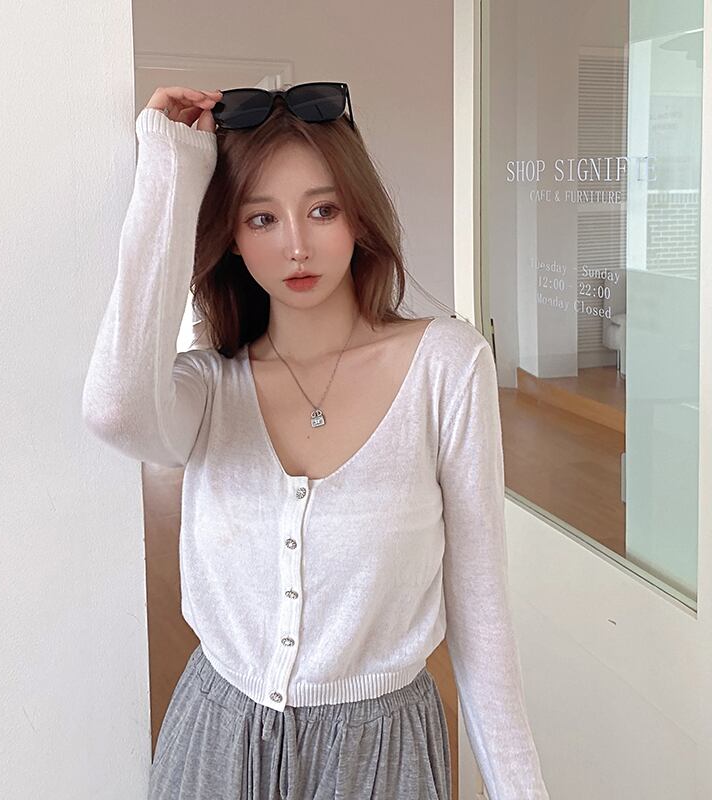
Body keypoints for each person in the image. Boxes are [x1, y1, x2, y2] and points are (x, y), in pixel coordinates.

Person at [82, 82, 550, 800]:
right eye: (261, 218)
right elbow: (116, 410)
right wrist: (173, 168)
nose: (296, 246)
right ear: (231, 236)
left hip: (380, 759)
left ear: (358, 215)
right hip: (213, 744)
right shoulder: (209, 388)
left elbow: (481, 620)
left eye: (322, 210)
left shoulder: (447, 366)